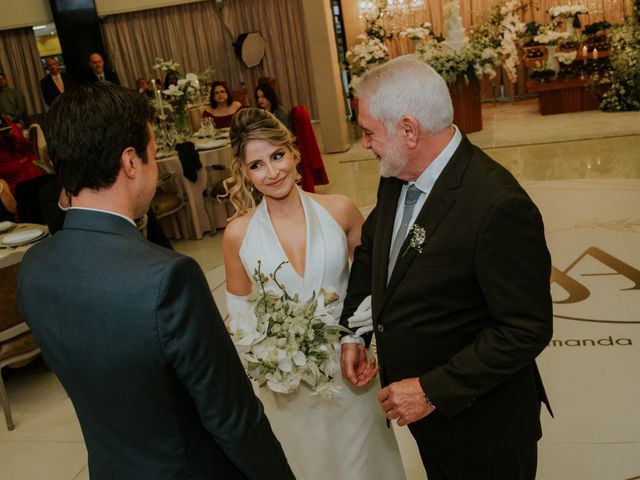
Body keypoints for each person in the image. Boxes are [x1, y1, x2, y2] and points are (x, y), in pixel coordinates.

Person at [17, 84, 294, 480]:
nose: (155, 167)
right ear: (130, 162)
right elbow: (233, 417)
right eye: (150, 155)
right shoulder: (167, 279)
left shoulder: (35, 266)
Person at [340, 55, 553, 480]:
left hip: (483, 432)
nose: (364, 143)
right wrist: (353, 330)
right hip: (428, 424)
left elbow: (524, 328)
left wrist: (430, 391)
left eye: (368, 132)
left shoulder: (497, 205)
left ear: (408, 130)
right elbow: (371, 249)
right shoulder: (396, 170)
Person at [222, 107, 405, 480]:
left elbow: (379, 285)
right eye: (257, 165)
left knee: (364, 467)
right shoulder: (238, 235)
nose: (272, 172)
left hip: (349, 371)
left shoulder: (340, 210)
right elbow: (240, 315)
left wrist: (366, 341)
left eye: (277, 156)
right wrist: (271, 365)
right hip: (289, 390)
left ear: (293, 152)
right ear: (243, 173)